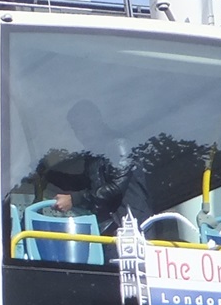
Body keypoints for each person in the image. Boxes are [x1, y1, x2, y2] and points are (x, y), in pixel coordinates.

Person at [51, 99, 151, 238]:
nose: (81, 133)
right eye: (76, 129)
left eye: (84, 126)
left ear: (97, 121)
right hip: (112, 229)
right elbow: (84, 184)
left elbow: (116, 187)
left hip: (132, 229)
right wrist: (49, 175)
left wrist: (74, 199)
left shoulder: (119, 145)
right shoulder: (94, 156)